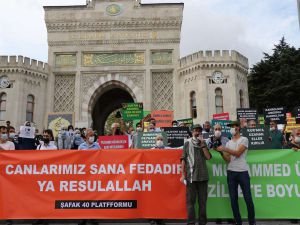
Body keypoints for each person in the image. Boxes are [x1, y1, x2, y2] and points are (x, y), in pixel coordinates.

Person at [216, 121, 256, 225]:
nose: (232, 129)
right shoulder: (229, 142)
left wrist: (224, 148)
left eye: (233, 127)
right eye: (231, 127)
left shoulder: (244, 139)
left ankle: (252, 222)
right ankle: (238, 222)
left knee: (248, 199)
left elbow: (238, 153)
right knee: (233, 200)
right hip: (231, 172)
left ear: (238, 128)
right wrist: (220, 152)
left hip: (243, 172)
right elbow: (228, 159)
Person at [180, 124, 212, 225]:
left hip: (203, 177)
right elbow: (183, 159)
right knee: (190, 203)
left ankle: (202, 223)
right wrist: (182, 174)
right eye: (195, 130)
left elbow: (208, 157)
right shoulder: (187, 143)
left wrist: (202, 144)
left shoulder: (203, 143)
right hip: (191, 177)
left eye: (199, 131)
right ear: (192, 132)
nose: (197, 132)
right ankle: (191, 223)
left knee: (202, 203)